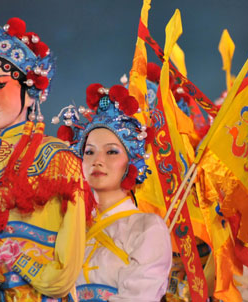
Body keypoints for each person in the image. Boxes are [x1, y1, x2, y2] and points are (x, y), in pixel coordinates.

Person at [0, 7, 89, 301]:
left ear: (29, 88)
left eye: (0, 85)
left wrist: (19, 260)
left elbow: (69, 260)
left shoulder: (57, 156)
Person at [55, 83, 172, 301]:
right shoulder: (69, 226)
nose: (97, 161)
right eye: (89, 152)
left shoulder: (146, 227)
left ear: (131, 163)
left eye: (111, 152)